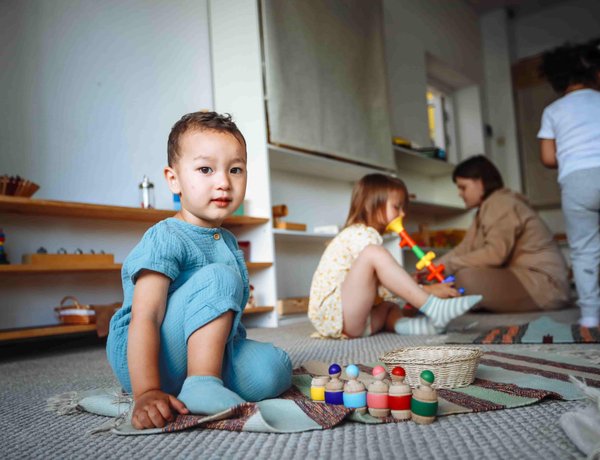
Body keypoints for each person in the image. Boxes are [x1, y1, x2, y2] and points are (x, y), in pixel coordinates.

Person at [107, 112, 292, 430]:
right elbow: (146, 316)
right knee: (221, 277)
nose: (223, 181)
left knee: (273, 370)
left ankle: (202, 381)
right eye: (206, 169)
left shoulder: (228, 241)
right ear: (173, 179)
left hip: (200, 352)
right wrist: (147, 391)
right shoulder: (166, 235)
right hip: (147, 356)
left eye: (235, 169)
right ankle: (200, 383)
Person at [308, 173, 482, 339]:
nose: (403, 214)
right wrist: (426, 291)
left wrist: (412, 283)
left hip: (358, 320)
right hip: (339, 317)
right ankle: (435, 308)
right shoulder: (359, 234)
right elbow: (389, 287)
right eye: (396, 207)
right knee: (373, 253)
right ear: (372, 206)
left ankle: (427, 327)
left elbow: (386, 287)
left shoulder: (367, 236)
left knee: (391, 308)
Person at [437, 155, 570, 313]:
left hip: (545, 284)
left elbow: (495, 255)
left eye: (463, 187)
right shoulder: (484, 209)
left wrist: (450, 266)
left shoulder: (500, 203)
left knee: (465, 278)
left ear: (480, 182)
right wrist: (434, 267)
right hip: (521, 276)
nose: (460, 193)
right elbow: (464, 248)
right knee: (457, 277)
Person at [538, 41, 600, 327]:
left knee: (584, 249)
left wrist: (573, 157)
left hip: (577, 182)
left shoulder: (553, 111)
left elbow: (548, 158)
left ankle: (589, 317)